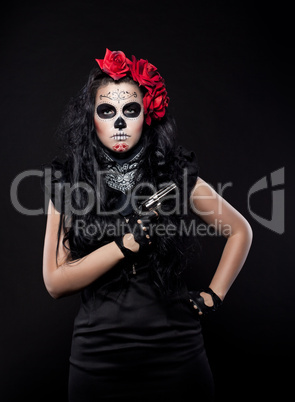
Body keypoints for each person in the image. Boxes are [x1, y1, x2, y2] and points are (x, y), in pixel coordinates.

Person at [42, 49, 252, 401]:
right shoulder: (69, 181)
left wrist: (213, 296)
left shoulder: (174, 175)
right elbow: (55, 282)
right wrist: (124, 245)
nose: (120, 122)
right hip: (98, 358)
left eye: (131, 110)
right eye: (107, 111)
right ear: (91, 117)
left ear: (147, 115)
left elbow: (240, 230)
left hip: (176, 355)